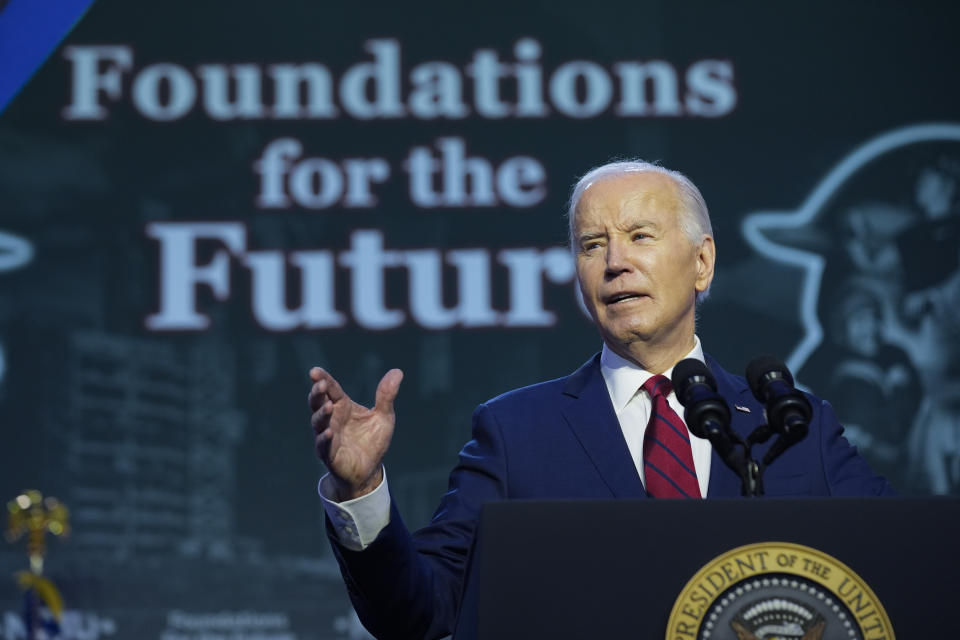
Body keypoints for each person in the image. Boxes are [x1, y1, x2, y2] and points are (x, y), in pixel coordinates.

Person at [307, 161, 894, 640]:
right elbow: (420, 612)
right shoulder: (515, 433)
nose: (615, 263)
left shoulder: (794, 426)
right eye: (593, 245)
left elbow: (902, 568)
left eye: (640, 236)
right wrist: (362, 493)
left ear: (703, 262)